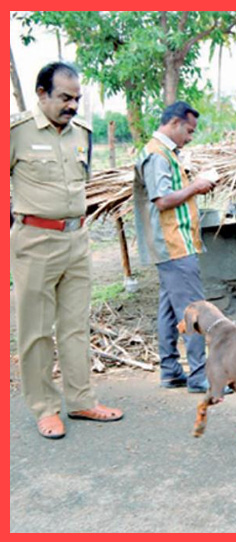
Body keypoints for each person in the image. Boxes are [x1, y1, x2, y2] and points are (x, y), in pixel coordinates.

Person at [10, 62, 123, 439]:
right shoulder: (17, 133)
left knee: (75, 327)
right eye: (64, 97)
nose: (72, 105)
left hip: (77, 240)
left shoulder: (83, 135)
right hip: (35, 241)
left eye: (76, 98)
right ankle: (44, 408)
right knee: (36, 331)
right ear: (41, 93)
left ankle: (81, 400)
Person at [133, 101, 220, 393]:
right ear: (174, 123)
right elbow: (162, 200)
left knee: (170, 311)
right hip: (174, 244)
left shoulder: (165, 154)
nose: (191, 136)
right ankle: (199, 376)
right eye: (189, 130)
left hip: (172, 244)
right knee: (194, 311)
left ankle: (171, 371)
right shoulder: (157, 155)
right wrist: (196, 185)